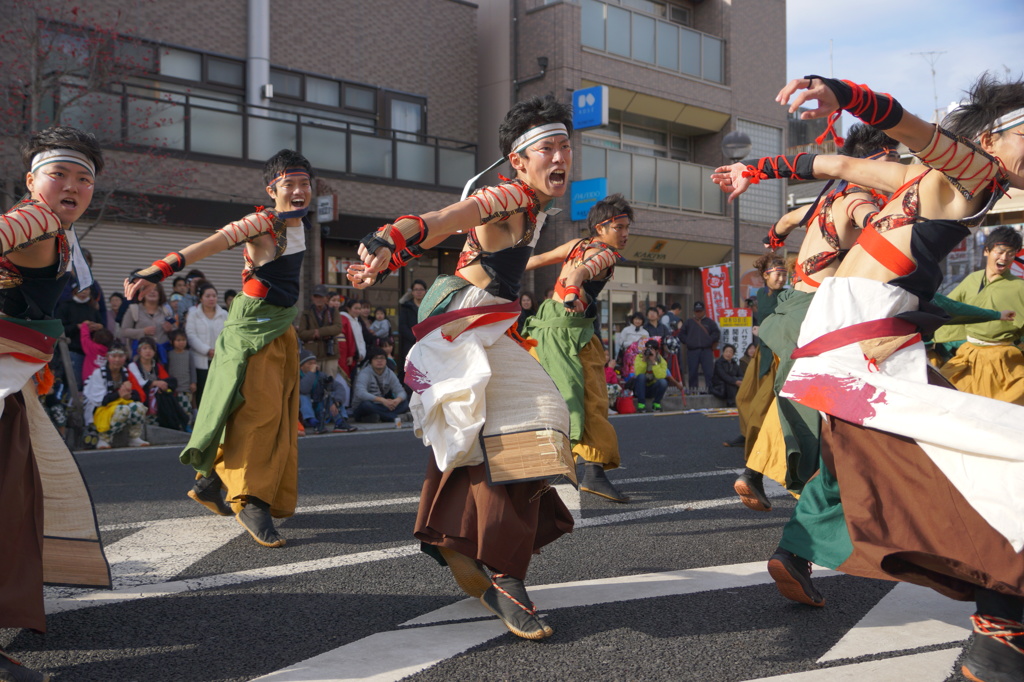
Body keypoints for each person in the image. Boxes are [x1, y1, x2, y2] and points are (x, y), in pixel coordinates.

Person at [715, 72, 1024, 681]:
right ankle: (1000, 634)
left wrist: (760, 170)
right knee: (989, 465)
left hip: (849, 343)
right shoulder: (975, 173)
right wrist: (846, 94)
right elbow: (910, 129)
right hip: (862, 348)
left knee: (959, 466)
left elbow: (832, 162)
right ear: (992, 137)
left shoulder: (917, 178)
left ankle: (1001, 631)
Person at [346, 96, 576, 640]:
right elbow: (449, 218)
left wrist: (390, 257)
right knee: (535, 419)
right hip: (463, 328)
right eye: (549, 147)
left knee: (486, 439)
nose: (562, 155)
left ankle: (460, 545)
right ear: (519, 161)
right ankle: (501, 573)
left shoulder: (537, 204)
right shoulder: (509, 194)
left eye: (566, 144)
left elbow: (462, 246)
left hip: (481, 326)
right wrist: (390, 237)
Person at [125, 148, 314, 549]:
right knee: (259, 413)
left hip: (281, 326)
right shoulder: (262, 222)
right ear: (272, 188)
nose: (298, 191)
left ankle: (212, 482)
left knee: (273, 413)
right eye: (289, 184)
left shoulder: (301, 223)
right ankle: (249, 499)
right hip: (253, 326)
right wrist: (157, 270)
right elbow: (212, 243)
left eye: (304, 184)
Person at [735, 125, 901, 509]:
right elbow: (879, 227)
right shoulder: (857, 198)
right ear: (873, 162)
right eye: (892, 160)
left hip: (794, 308)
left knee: (799, 400)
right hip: (816, 315)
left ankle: (758, 475)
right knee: (823, 401)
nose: (896, 170)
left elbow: (785, 223)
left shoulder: (824, 202)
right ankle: (821, 491)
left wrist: (773, 239)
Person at [0, 126, 111, 680]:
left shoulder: (60, 234)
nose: (72, 184)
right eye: (59, 172)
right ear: (31, 181)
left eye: (83, 178)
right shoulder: (36, 220)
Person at [523, 193, 632, 503]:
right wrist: (573, 289)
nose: (624, 234)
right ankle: (593, 474)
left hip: (545, 330)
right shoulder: (606, 254)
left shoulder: (575, 245)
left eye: (627, 228)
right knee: (593, 400)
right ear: (601, 227)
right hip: (568, 334)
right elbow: (581, 272)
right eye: (619, 227)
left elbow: (536, 261)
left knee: (549, 398)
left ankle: (533, 471)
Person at [936, 226, 1024, 403]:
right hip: (968, 356)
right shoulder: (971, 279)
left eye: (1010, 253)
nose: (1004, 258)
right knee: (943, 396)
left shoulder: (1020, 286)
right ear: (986, 251)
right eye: (999, 252)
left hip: (1004, 361)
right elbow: (946, 309)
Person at [728, 253, 786, 501]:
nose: (782, 277)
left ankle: (756, 449)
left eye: (785, 273)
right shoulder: (761, 296)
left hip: (777, 356)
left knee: (763, 406)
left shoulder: (788, 296)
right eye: (778, 273)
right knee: (744, 396)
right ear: (765, 275)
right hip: (761, 354)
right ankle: (746, 434)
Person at [84, 342, 149, 448]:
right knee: (123, 410)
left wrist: (129, 395)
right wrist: (119, 394)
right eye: (114, 356)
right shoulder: (99, 374)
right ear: (108, 357)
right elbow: (99, 401)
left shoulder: (126, 372)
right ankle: (104, 438)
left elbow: (138, 395)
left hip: (118, 405)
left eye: (120, 356)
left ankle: (134, 437)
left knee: (139, 408)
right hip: (100, 409)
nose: (117, 360)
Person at [129, 336, 189, 431]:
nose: (148, 351)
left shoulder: (157, 365)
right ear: (139, 351)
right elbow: (139, 382)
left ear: (154, 352)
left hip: (157, 393)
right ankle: (179, 423)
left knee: (171, 393)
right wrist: (155, 383)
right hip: (141, 394)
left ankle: (181, 423)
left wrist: (162, 385)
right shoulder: (133, 366)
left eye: (151, 349)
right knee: (163, 397)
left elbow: (165, 380)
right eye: (145, 348)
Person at [184, 281, 227, 407]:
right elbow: (191, 335)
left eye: (214, 296)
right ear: (201, 298)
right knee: (202, 392)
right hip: (200, 360)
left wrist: (220, 351)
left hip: (221, 358)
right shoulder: (193, 314)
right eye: (208, 296)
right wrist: (207, 350)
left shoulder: (224, 314)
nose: (211, 299)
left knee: (219, 391)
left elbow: (230, 334)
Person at [57, 284, 105, 389]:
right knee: (74, 381)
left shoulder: (92, 308)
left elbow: (102, 325)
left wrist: (97, 327)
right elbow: (59, 328)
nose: (84, 292)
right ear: (74, 291)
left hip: (90, 353)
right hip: (72, 349)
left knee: (87, 381)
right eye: (80, 289)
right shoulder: (65, 306)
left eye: (86, 289)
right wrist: (77, 327)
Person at [298, 348, 356, 433]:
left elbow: (338, 387)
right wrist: (311, 373)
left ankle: (340, 422)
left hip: (320, 407)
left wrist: (337, 402)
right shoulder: (296, 376)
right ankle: (313, 422)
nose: (313, 365)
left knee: (331, 395)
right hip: (304, 411)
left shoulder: (321, 375)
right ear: (301, 366)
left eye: (314, 363)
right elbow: (303, 389)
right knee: (302, 396)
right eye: (309, 364)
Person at [351, 346, 409, 423]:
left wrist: (396, 401)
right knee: (366, 405)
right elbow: (360, 393)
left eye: (382, 358)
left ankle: (379, 417)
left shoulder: (389, 373)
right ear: (371, 361)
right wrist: (382, 400)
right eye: (376, 358)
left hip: (382, 406)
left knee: (405, 403)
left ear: (386, 360)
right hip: (365, 406)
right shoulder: (364, 373)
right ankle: (394, 417)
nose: (379, 361)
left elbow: (401, 391)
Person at [119, 282, 176, 361]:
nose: (152, 292)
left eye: (155, 290)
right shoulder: (133, 309)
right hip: (140, 357)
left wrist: (170, 330)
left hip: (162, 356)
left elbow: (176, 333)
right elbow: (123, 331)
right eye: (148, 290)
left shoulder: (166, 311)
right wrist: (143, 331)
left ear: (160, 294)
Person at [297, 283, 344, 378]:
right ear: (312, 298)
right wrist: (315, 333)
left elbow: (338, 327)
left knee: (329, 381)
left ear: (326, 298)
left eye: (321, 296)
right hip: (313, 354)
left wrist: (320, 332)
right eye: (316, 296)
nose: (319, 299)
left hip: (330, 354)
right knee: (312, 381)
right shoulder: (306, 313)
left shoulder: (333, 311)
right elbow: (301, 333)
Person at [679, 301, 720, 393]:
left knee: (709, 372)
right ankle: (693, 391)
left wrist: (709, 340)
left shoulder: (710, 322)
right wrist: (688, 341)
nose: (698, 313)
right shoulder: (689, 322)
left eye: (700, 311)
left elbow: (716, 334)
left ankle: (710, 390)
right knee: (692, 372)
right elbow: (681, 334)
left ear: (704, 311)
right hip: (692, 350)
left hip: (706, 350)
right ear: (694, 311)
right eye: (696, 311)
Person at [166, 329, 197, 426]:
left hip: (186, 387)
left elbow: (192, 369)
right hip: (174, 389)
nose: (181, 342)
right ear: (172, 342)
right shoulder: (169, 354)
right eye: (178, 340)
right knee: (176, 408)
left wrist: (193, 382)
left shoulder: (189, 354)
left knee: (187, 407)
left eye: (183, 340)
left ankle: (187, 425)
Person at [397, 279, 427, 376]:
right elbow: (402, 326)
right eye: (416, 289)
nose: (418, 292)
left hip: (426, 343)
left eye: (421, 289)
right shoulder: (406, 307)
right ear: (412, 292)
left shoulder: (429, 307)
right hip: (409, 343)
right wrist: (414, 338)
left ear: (425, 291)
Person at [632, 338, 669, 412]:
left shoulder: (661, 360)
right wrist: (644, 359)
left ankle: (656, 403)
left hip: (652, 388)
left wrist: (654, 362)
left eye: (651, 350)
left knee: (663, 382)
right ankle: (641, 404)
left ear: (657, 351)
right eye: (648, 349)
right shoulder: (639, 357)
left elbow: (661, 376)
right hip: (640, 388)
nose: (649, 352)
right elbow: (638, 373)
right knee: (641, 376)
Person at [328, 293, 358, 380]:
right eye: (333, 300)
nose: (336, 303)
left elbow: (349, 337)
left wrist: (350, 355)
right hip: (328, 347)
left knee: (342, 374)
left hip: (342, 350)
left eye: (338, 301)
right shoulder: (323, 316)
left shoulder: (344, 318)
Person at [339, 298, 365, 377]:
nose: (358, 311)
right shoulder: (344, 320)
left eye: (359, 309)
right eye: (355, 308)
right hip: (349, 357)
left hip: (357, 358)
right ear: (348, 309)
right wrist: (350, 355)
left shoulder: (357, 321)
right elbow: (348, 340)